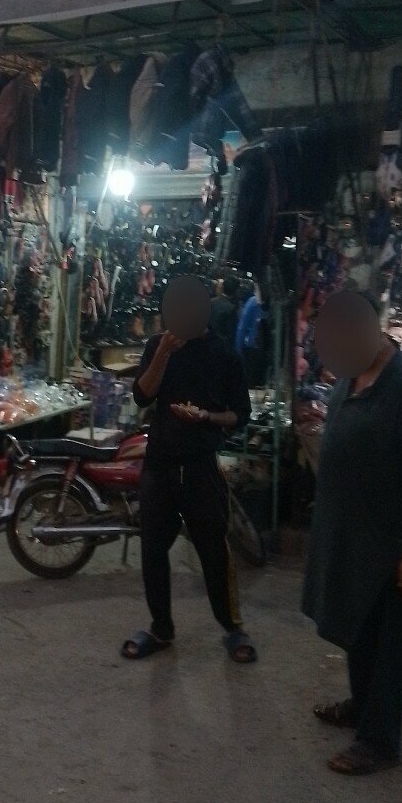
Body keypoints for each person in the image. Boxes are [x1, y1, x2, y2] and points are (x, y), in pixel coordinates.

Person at [303, 290, 402, 775]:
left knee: (386, 647)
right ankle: (362, 708)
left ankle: (379, 741)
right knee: (358, 633)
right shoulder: (353, 376)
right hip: (352, 543)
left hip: (391, 548)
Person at [122, 276, 257, 664]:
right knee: (152, 551)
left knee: (214, 552)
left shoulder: (225, 357)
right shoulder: (156, 345)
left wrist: (208, 417)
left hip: (200, 467)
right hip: (159, 466)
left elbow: (240, 416)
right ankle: (161, 628)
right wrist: (163, 353)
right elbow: (142, 396)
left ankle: (233, 628)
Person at [210, 275, 239, 348]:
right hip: (219, 347)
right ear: (236, 291)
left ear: (223, 287)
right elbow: (230, 334)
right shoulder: (231, 309)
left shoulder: (212, 302)